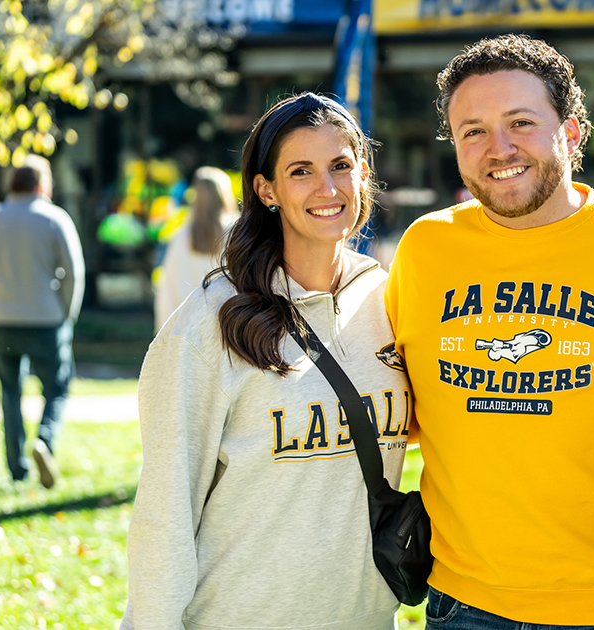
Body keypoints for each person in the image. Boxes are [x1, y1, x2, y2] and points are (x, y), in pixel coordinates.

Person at [385, 34, 594, 628]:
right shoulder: (424, 250)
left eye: (521, 122)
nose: (498, 147)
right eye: (472, 131)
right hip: (465, 602)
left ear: (572, 131)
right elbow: (400, 410)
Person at [122, 93, 411, 630]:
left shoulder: (389, 300)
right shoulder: (212, 321)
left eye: (341, 166)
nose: (327, 189)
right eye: (301, 171)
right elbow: (167, 507)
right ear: (266, 189)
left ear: (363, 174)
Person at [0, 155, 84, 489]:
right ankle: (44, 440)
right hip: (47, 320)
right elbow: (74, 272)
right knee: (57, 388)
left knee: (10, 391)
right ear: (42, 184)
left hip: (2, 320)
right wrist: (67, 314)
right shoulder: (54, 218)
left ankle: (17, 468)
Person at [153, 166, 238, 332]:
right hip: (226, 330)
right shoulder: (236, 233)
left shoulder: (181, 237)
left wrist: (164, 332)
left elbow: (167, 290)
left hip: (189, 332)